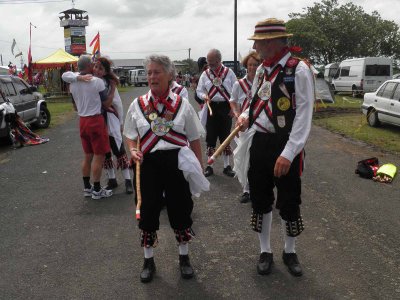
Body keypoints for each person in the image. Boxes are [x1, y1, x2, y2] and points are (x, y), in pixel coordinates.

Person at [234, 18, 314, 277]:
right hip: (260, 140)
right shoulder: (262, 70)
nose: (255, 46)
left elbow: (303, 115)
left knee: (289, 200)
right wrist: (245, 115)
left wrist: (289, 153)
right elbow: (254, 100)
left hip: (286, 142)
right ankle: (265, 250)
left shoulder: (298, 69)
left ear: (272, 42)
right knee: (260, 198)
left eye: (258, 41)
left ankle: (290, 251)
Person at [123, 54, 209, 283]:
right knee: (148, 212)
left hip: (177, 163)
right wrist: (132, 150)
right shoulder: (138, 105)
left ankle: (184, 259)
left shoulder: (182, 104)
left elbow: (194, 138)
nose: (151, 76)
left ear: (169, 75)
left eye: (156, 72)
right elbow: (130, 135)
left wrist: (198, 168)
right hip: (148, 163)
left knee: (180, 210)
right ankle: (148, 261)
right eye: (149, 72)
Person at [63, 57, 133, 194]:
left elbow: (117, 104)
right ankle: (111, 179)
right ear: (90, 67)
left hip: (109, 120)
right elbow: (67, 75)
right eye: (96, 67)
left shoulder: (105, 82)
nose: (97, 70)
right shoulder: (88, 79)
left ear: (106, 71)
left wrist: (121, 122)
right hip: (98, 121)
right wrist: (80, 78)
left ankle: (128, 180)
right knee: (104, 153)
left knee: (118, 150)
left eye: (101, 68)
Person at [196, 49, 237, 177]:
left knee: (226, 136)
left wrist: (233, 108)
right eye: (208, 62)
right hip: (211, 107)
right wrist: (204, 96)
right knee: (211, 137)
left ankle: (227, 166)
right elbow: (199, 90)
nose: (209, 65)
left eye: (212, 62)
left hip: (226, 107)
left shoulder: (229, 73)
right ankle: (210, 166)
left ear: (219, 60)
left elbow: (236, 91)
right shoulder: (205, 74)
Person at [229, 51, 261, 203]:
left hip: (260, 123)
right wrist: (237, 114)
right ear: (246, 66)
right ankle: (246, 189)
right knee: (244, 156)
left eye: (255, 65)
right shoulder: (239, 84)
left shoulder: (263, 83)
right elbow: (233, 100)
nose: (253, 68)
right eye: (250, 65)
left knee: (256, 158)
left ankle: (257, 188)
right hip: (243, 125)